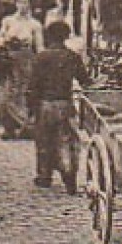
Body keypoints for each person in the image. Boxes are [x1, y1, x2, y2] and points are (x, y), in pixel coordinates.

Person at [28, 20, 88, 193]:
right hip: (65, 104)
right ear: (67, 37)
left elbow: (33, 85)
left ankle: (44, 176)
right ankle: (69, 175)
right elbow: (84, 80)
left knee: (44, 142)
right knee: (66, 141)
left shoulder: (41, 57)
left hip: (45, 104)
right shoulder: (72, 57)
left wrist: (31, 108)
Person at [0, 0, 43, 140]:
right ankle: (6, 127)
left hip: (26, 59)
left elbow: (39, 46)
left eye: (26, 3)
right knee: (6, 92)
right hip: (9, 58)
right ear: (16, 4)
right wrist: (5, 41)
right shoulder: (8, 20)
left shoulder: (35, 24)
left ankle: (23, 126)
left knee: (22, 92)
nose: (23, 6)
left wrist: (40, 62)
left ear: (30, 5)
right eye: (20, 2)